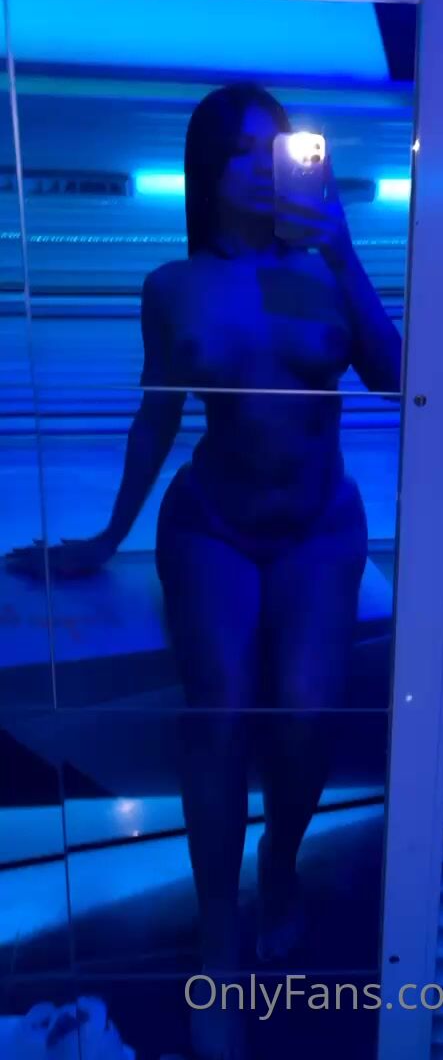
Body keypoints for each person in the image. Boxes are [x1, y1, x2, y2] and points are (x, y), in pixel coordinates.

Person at [7, 83, 402, 1059]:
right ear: (210, 174)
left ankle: (281, 859)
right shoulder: (173, 285)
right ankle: (219, 932)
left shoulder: (322, 268)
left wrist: (343, 248)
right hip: (214, 524)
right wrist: (106, 537)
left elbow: (396, 374)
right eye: (248, 152)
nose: (270, 167)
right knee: (218, 708)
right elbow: (157, 415)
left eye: (282, 149)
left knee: (306, 713)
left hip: (319, 525)